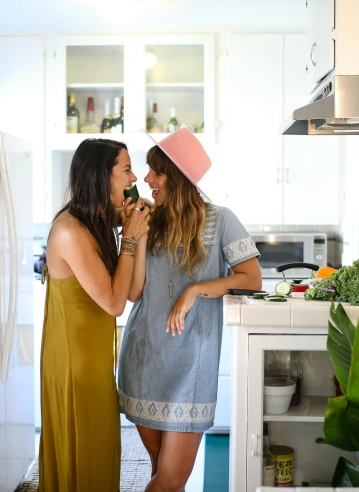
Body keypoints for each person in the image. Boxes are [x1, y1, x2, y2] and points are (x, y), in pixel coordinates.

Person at [117, 128, 262, 492]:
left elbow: (251, 278)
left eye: (157, 172)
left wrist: (195, 290)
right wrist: (134, 235)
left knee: (167, 480)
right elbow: (134, 293)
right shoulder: (148, 220)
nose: (146, 179)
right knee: (164, 478)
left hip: (192, 369)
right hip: (144, 360)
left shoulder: (221, 220)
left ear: (178, 178)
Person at [39, 138, 150, 492]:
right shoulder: (71, 231)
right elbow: (116, 303)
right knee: (81, 455)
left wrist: (139, 234)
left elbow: (131, 290)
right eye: (127, 169)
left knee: (100, 452)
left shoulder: (98, 222)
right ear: (103, 176)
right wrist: (129, 238)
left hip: (96, 362)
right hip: (73, 365)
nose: (135, 179)